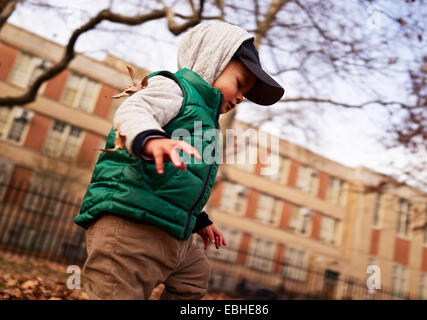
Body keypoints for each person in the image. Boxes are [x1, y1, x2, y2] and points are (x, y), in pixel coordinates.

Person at [74, 21, 284, 300]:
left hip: (172, 231)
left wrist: (199, 218)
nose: (242, 97)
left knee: (195, 275)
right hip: (129, 221)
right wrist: (149, 139)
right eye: (240, 84)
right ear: (212, 61)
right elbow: (134, 109)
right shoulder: (175, 88)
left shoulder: (206, 122)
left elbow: (182, 181)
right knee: (117, 290)